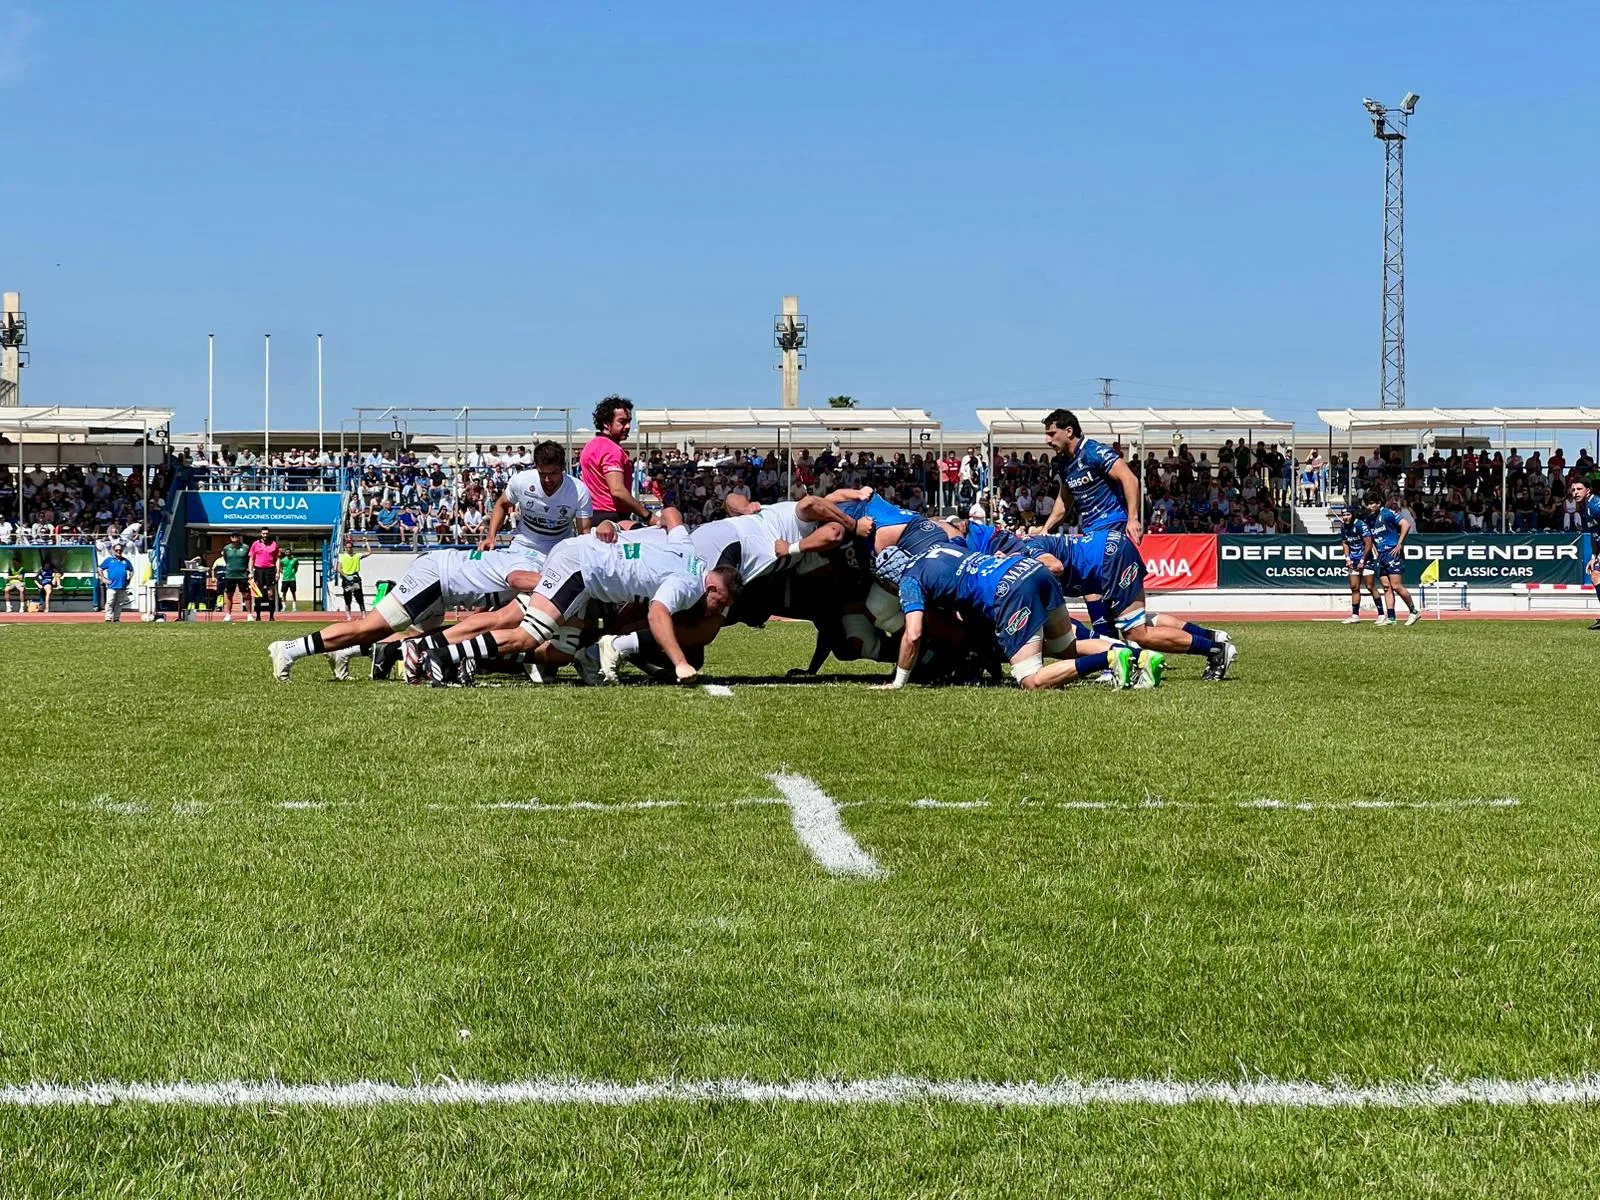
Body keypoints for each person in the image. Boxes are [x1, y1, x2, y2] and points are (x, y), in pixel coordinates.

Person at [870, 544, 1135, 692]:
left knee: (1032, 680)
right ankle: (1139, 657)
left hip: (1009, 589)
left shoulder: (908, 580)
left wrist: (898, 681)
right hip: (1029, 568)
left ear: (890, 581)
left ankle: (1110, 659)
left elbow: (914, 633)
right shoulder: (938, 548)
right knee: (1066, 646)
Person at [267, 544, 546, 681]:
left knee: (425, 641)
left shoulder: (532, 558)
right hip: (436, 578)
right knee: (370, 627)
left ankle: (345, 651)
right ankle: (290, 649)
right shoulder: (534, 565)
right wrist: (552, 585)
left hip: (444, 584)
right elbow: (516, 579)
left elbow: (483, 612)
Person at [481, 440, 594, 553]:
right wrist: (491, 537)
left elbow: (584, 533)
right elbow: (501, 505)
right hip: (524, 545)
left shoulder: (579, 491)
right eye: (542, 474)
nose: (547, 480)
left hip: (561, 549)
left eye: (552, 474)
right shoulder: (521, 481)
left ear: (563, 468)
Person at [579, 395, 651, 526]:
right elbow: (617, 490)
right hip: (613, 516)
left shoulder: (589, 446)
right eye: (622, 422)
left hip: (593, 515)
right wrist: (648, 516)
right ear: (606, 424)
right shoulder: (612, 450)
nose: (628, 426)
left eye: (629, 421)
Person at [1363, 492, 1421, 626]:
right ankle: (1391, 617)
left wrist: (1399, 543)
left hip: (1392, 552)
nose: (1370, 506)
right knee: (1386, 587)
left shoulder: (1387, 513)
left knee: (1396, 585)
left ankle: (1413, 611)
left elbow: (1405, 524)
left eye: (1372, 503)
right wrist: (1376, 552)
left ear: (1378, 503)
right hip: (1381, 555)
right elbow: (1372, 538)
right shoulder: (1369, 519)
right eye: (1368, 504)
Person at [1337, 507, 1384, 624]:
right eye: (1344, 515)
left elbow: (1368, 543)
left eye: (1348, 514)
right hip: (1353, 560)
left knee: (1370, 586)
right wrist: (1347, 558)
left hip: (1366, 560)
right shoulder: (1343, 527)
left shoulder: (1360, 525)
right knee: (1354, 587)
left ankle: (1381, 614)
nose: (1345, 517)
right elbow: (1345, 544)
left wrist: (1363, 560)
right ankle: (1355, 615)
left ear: (1352, 514)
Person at [1570, 479, 1600, 630]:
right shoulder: (1586, 508)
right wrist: (1594, 557)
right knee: (1595, 575)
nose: (1575, 493)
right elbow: (1595, 535)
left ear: (1588, 490)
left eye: (1579, 489)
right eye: (1573, 490)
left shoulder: (1596, 505)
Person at [248, 528, 282, 621]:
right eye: (263, 533)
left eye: (267, 533)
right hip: (258, 570)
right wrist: (250, 572)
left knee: (270, 593)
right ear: (261, 534)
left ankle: (271, 616)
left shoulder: (274, 544)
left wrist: (278, 572)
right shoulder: (256, 544)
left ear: (269, 534)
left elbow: (277, 559)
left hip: (270, 570)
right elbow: (251, 558)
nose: (265, 535)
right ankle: (258, 616)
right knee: (258, 593)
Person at [98, 539, 133, 622]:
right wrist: (103, 578)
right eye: (116, 550)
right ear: (114, 551)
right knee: (110, 602)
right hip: (112, 585)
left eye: (120, 550)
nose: (118, 551)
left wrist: (129, 579)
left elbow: (131, 570)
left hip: (122, 585)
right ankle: (108, 618)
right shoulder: (109, 560)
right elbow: (100, 568)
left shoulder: (125, 561)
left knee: (119, 603)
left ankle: (116, 618)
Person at [218, 532, 250, 622]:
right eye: (232, 536)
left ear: (239, 537)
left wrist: (249, 571)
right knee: (229, 594)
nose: (234, 538)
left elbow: (248, 559)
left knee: (246, 594)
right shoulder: (226, 548)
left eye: (236, 536)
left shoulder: (245, 547)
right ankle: (228, 614)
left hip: (243, 574)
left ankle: (249, 614)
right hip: (230, 574)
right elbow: (226, 559)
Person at [337, 536, 369, 619]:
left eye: (350, 547)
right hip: (347, 579)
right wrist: (346, 576)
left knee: (359, 597)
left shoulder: (357, 555)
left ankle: (363, 614)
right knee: (347, 598)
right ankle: (348, 615)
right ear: (345, 548)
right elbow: (339, 568)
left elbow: (369, 552)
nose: (349, 549)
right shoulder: (342, 556)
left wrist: (366, 542)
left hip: (355, 578)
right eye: (347, 548)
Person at [278, 548, 301, 612]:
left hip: (292, 579)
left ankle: (294, 607)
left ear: (291, 553)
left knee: (293, 593)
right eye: (286, 552)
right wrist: (284, 573)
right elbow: (280, 568)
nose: (287, 553)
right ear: (285, 553)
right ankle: (284, 606)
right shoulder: (282, 560)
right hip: (285, 579)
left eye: (289, 552)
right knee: (284, 593)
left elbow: (296, 567)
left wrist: (293, 572)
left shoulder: (295, 560)